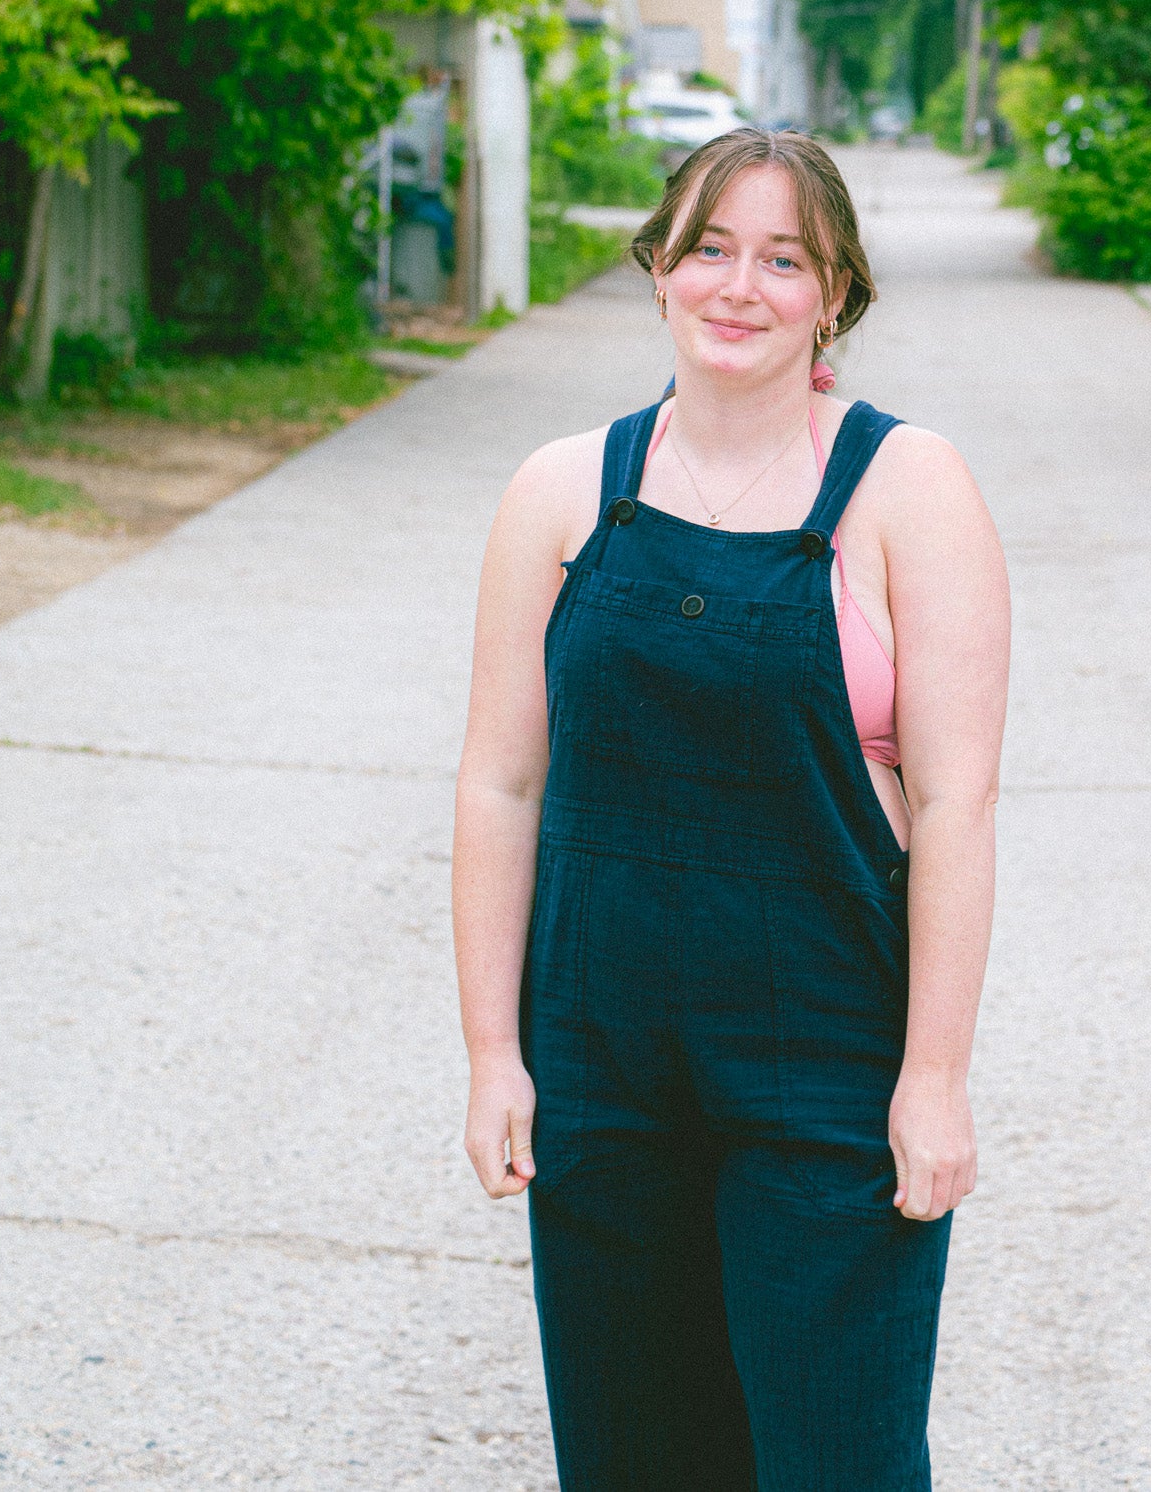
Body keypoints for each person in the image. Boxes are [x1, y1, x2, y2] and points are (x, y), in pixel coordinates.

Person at [453, 129, 1010, 1491]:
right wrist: (493, 1054)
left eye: (784, 260)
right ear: (659, 268)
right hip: (601, 1060)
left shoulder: (909, 487)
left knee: (838, 1459)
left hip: (828, 1061)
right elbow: (501, 783)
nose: (739, 286)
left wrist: (934, 1080)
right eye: (709, 247)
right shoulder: (561, 490)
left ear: (836, 295)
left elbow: (956, 802)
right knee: (634, 1458)